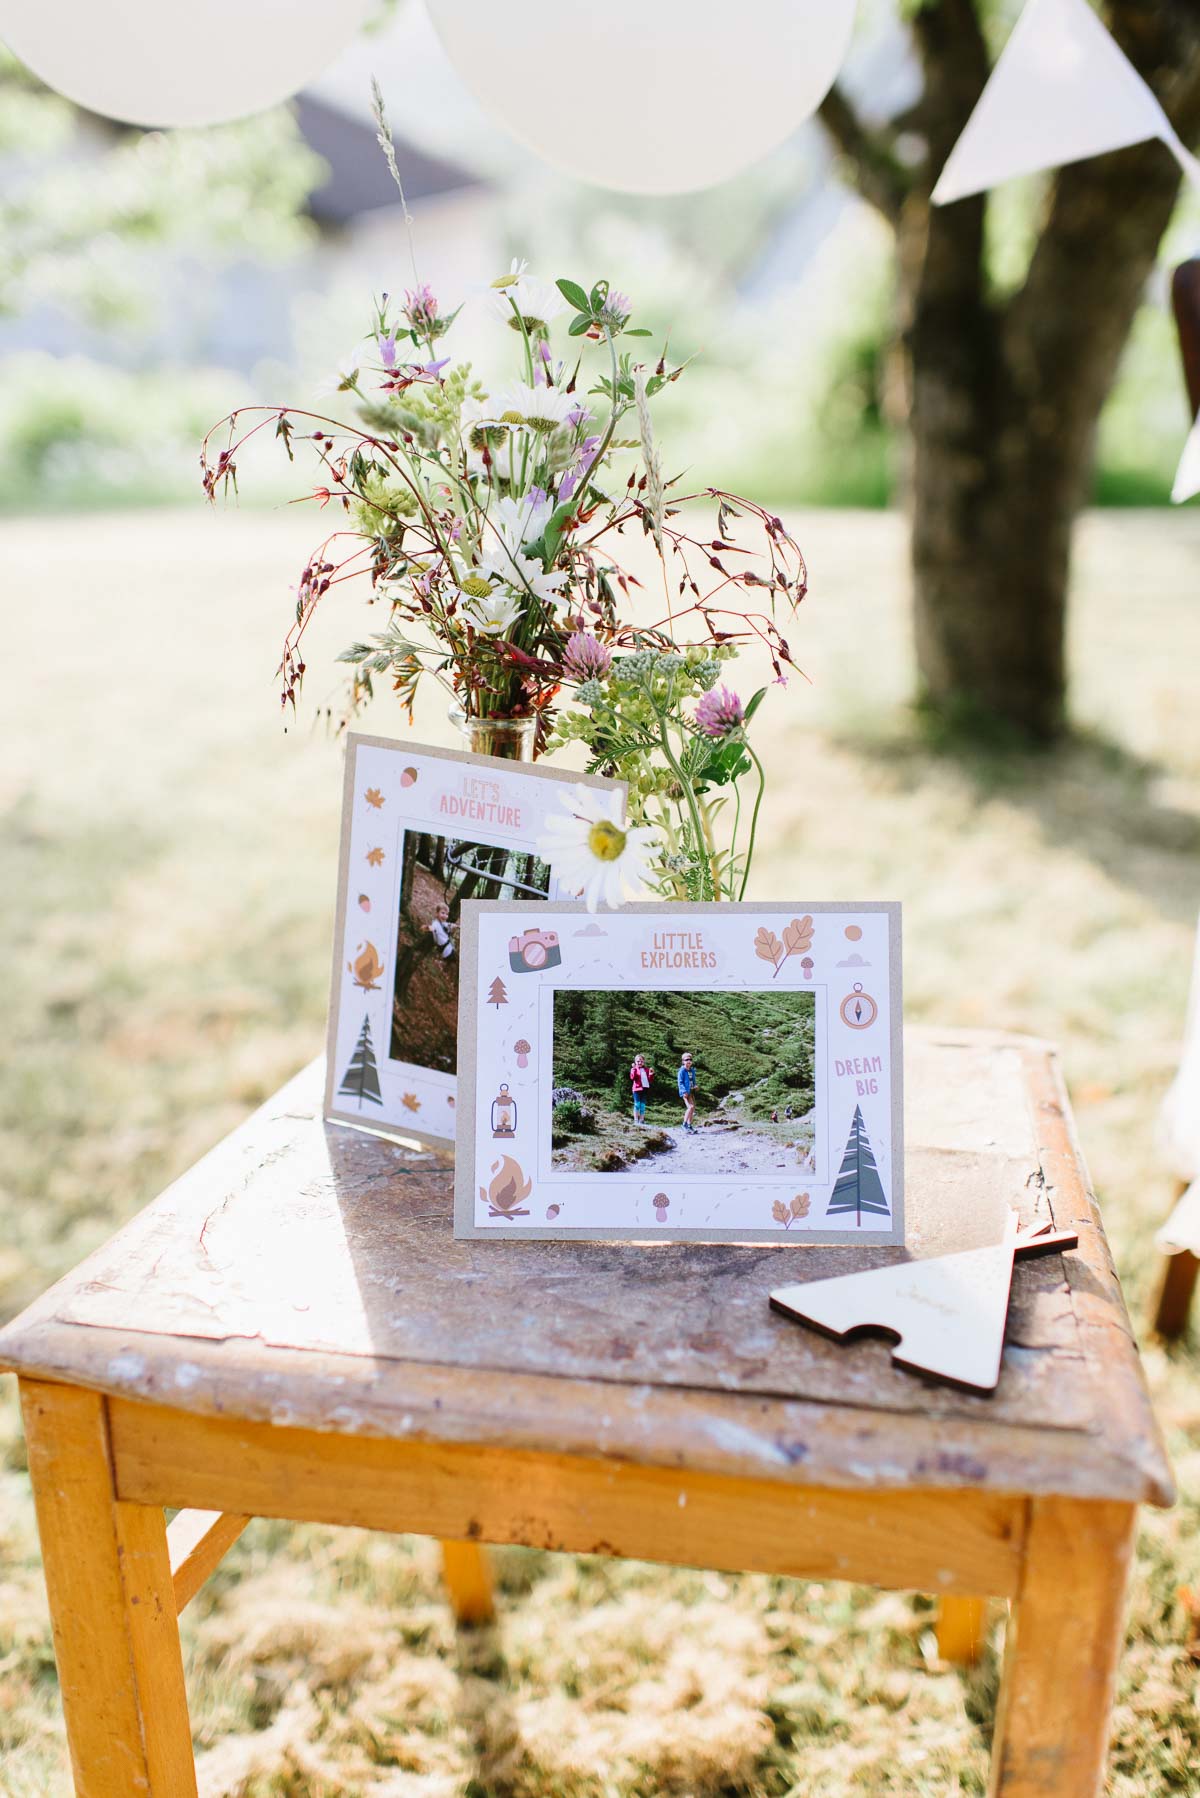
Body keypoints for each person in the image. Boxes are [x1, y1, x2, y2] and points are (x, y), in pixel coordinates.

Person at [630, 1053, 654, 1123]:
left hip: (644, 1089)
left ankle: (641, 1119)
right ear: (635, 1062)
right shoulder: (634, 1069)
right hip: (637, 1089)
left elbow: (649, 1080)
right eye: (638, 1061)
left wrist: (651, 1074)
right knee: (637, 1104)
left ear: (644, 1062)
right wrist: (634, 1069)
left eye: (641, 1061)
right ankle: (636, 1119)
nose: (640, 1063)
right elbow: (632, 1077)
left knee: (642, 1105)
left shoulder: (646, 1069)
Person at [677, 1051, 697, 1133]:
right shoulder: (682, 1071)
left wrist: (695, 1085)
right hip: (685, 1092)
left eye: (690, 1059)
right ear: (683, 1061)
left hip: (691, 1091)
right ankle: (684, 1124)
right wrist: (684, 1091)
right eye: (686, 1060)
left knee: (692, 1108)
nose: (688, 1061)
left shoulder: (692, 1070)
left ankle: (689, 1125)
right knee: (690, 1107)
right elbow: (680, 1082)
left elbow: (693, 1080)